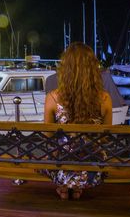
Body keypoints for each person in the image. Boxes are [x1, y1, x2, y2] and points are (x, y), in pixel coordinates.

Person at [43, 42, 113, 200]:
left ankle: (64, 185)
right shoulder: (105, 98)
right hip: (93, 171)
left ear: (65, 69)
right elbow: (105, 137)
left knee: (58, 152)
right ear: (92, 70)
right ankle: (77, 187)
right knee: (91, 152)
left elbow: (48, 135)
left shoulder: (52, 98)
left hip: (60, 167)